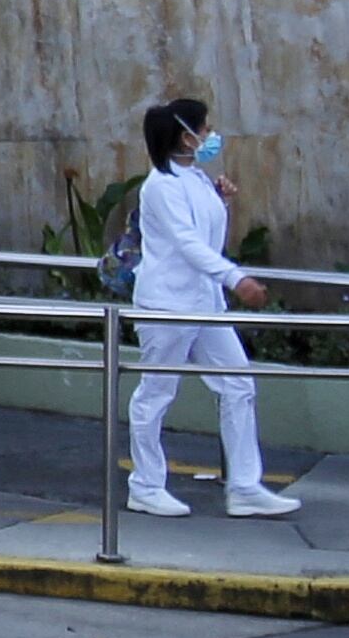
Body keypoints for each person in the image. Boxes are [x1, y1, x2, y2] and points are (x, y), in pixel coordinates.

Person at [126, 98, 300, 520]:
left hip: (204, 303)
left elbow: (206, 238)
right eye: (204, 129)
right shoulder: (161, 186)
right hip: (167, 305)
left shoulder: (196, 179)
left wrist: (220, 202)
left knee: (238, 383)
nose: (210, 136)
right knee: (156, 393)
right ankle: (146, 485)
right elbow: (186, 245)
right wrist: (235, 278)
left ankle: (244, 486)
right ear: (185, 135)